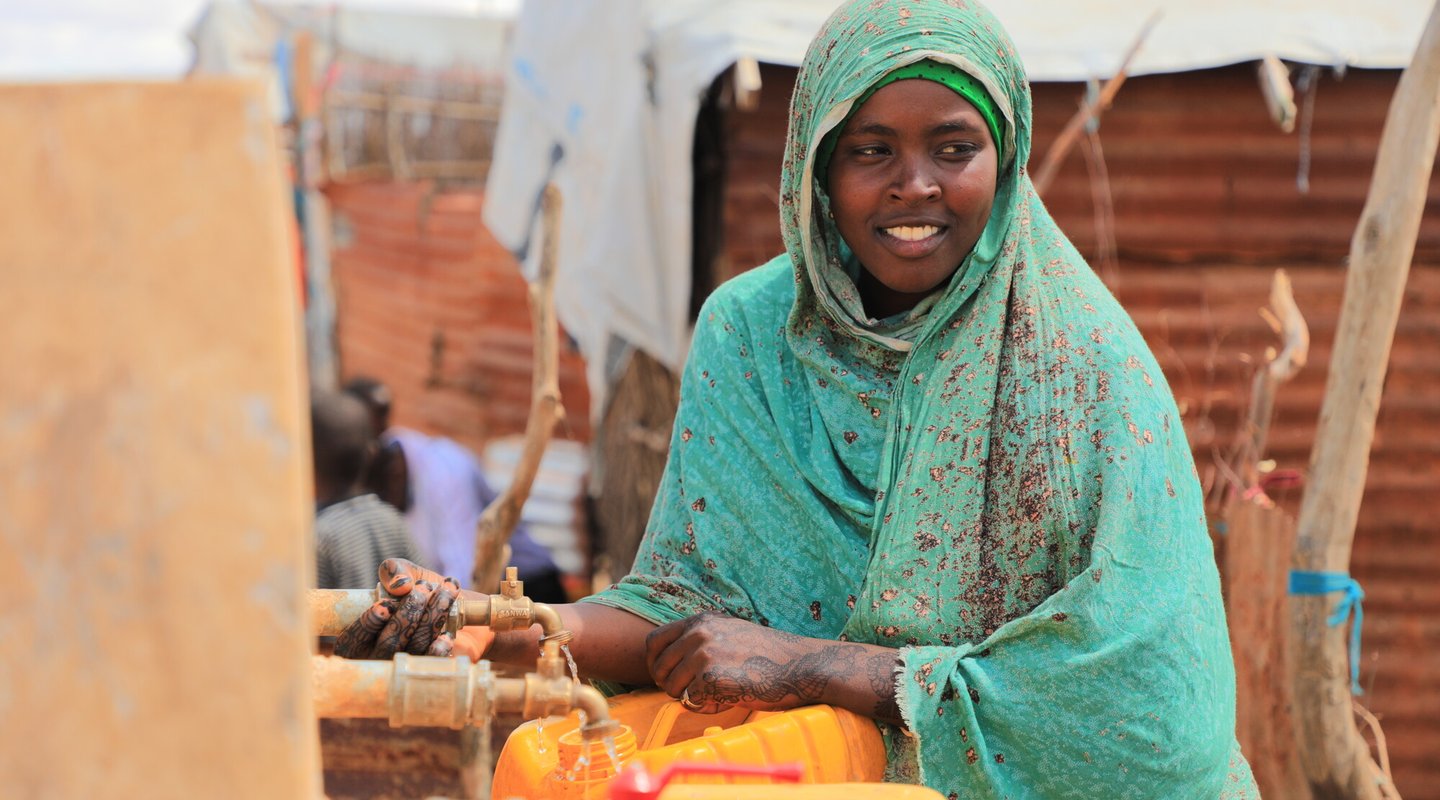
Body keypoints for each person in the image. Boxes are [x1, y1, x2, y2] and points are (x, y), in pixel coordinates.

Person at [337, 1, 1259, 795]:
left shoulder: (1082, 370)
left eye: (954, 146)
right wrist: (490, 617)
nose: (915, 185)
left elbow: (1156, 721)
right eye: (870, 150)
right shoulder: (752, 335)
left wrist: (814, 666)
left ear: (1006, 158)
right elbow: (684, 609)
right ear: (814, 167)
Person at [341, 376, 568, 603]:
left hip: (524, 589)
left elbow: (461, 570)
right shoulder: (366, 475)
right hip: (468, 598)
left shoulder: (444, 466)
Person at [311, 390, 424, 590]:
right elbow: (427, 584)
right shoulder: (391, 518)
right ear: (370, 454)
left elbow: (310, 611)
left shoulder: (320, 537)